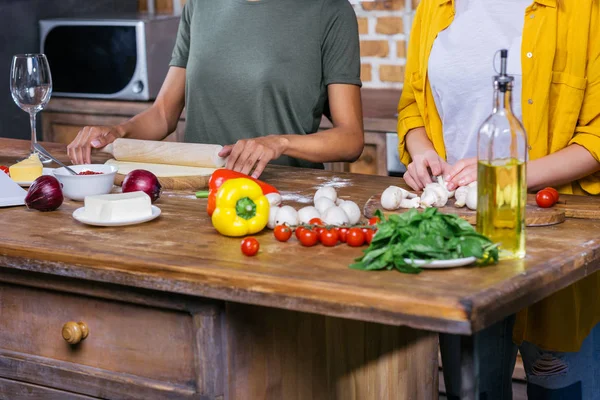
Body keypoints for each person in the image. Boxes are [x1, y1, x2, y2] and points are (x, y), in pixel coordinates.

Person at [398, 0, 600, 399]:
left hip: (554, 238)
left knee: (564, 390)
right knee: (473, 392)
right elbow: (412, 108)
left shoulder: (582, 8)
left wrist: (507, 175)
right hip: (462, 239)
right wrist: (420, 150)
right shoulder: (436, 7)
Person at [67, 0, 365, 178]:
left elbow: (350, 139)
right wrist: (118, 132)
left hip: (282, 197)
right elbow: (162, 115)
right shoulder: (200, 4)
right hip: (199, 192)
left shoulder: (330, 11)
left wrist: (280, 143)